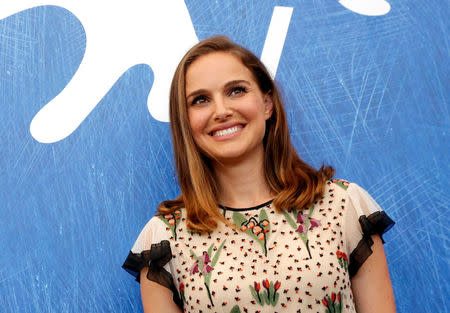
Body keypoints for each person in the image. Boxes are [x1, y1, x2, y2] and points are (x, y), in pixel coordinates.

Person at [122, 36, 396, 313]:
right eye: (201, 99)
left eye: (236, 91)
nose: (221, 111)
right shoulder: (164, 239)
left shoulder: (342, 205)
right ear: (185, 121)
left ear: (267, 104)